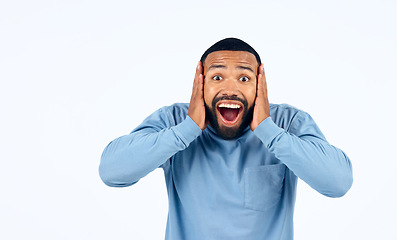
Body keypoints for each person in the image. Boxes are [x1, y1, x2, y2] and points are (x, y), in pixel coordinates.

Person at [99, 37, 353, 240]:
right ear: (200, 82)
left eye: (244, 78)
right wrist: (187, 129)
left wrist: (268, 131)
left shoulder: (288, 123)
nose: (230, 89)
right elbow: (112, 171)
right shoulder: (174, 121)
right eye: (217, 77)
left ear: (260, 84)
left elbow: (338, 182)